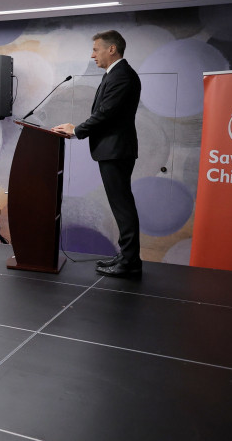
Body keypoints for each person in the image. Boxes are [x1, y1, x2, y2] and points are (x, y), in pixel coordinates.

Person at [53, 30, 142, 278]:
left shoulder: (122, 76)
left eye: (96, 49)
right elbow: (104, 112)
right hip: (113, 150)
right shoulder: (114, 75)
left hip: (116, 151)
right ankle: (126, 257)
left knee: (122, 206)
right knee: (121, 205)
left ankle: (130, 262)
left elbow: (106, 114)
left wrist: (76, 130)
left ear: (111, 49)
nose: (93, 55)